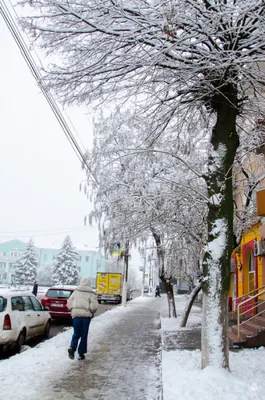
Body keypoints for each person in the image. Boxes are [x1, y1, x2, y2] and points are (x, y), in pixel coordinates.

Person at [67, 277, 98, 360]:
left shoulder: (75, 291)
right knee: (84, 334)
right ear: (89, 283)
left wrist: (72, 309)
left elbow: (69, 302)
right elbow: (94, 306)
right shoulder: (91, 293)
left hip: (76, 315)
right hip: (86, 316)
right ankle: (81, 353)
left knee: (76, 333)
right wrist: (91, 311)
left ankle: (72, 347)